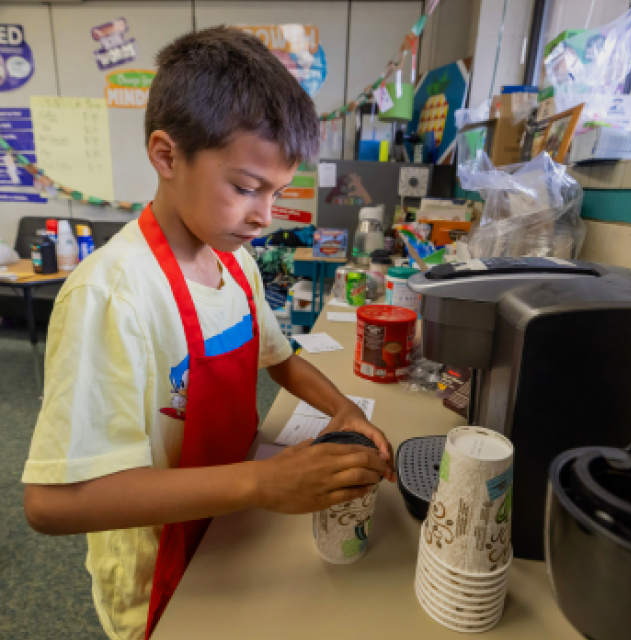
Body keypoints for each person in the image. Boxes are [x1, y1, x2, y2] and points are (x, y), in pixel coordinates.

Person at [22, 26, 395, 640]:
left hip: (230, 521)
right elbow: (53, 504)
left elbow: (281, 358)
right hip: (159, 566)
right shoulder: (112, 295)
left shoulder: (234, 261)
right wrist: (260, 481)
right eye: (246, 188)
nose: (263, 216)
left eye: (276, 193)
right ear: (167, 156)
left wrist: (344, 408)